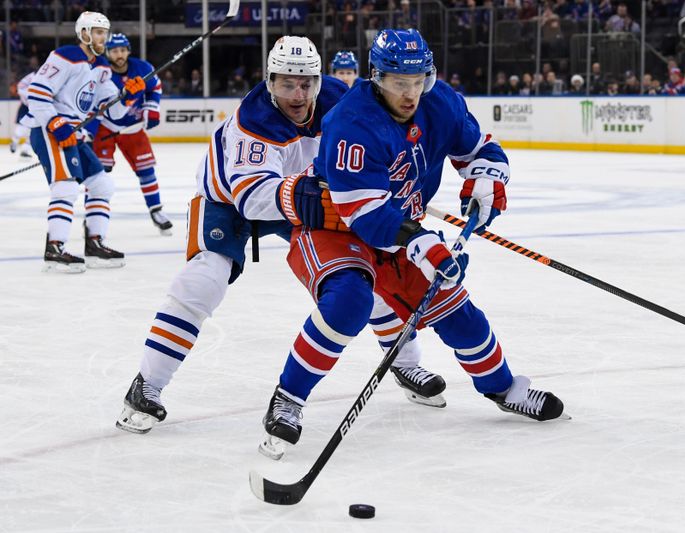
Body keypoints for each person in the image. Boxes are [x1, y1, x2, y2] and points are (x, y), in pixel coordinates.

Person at [116, 36, 449, 438]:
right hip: (231, 201)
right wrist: (314, 195)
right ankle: (147, 384)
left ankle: (404, 361)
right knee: (203, 279)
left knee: (372, 265)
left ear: (318, 80)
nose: (297, 94)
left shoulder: (342, 101)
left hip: (307, 196)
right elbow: (253, 199)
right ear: (270, 82)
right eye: (286, 84)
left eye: (306, 83)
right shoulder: (252, 121)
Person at [262, 28, 566, 458]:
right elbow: (365, 214)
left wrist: (485, 180)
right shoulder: (352, 122)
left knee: (458, 312)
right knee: (348, 302)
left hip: (403, 227)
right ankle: (288, 399)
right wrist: (423, 244)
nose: (409, 94)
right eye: (397, 83)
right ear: (375, 78)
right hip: (337, 227)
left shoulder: (440, 102)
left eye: (417, 82)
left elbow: (480, 148)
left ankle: (503, 389)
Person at [21, 11, 144, 273]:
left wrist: (128, 95)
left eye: (104, 32)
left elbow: (114, 112)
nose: (103, 38)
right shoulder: (65, 56)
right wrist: (55, 123)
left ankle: (95, 244)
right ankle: (54, 249)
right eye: (98, 32)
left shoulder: (101, 67)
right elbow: (37, 92)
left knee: (102, 185)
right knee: (65, 187)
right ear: (85, 33)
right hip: (49, 130)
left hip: (73, 133)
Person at [91, 33, 172, 235]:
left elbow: (155, 87)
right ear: (108, 52)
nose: (119, 55)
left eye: (122, 50)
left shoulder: (143, 68)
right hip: (106, 126)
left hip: (133, 128)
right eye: (115, 51)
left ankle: (156, 211)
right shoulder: (101, 71)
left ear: (128, 51)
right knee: (99, 174)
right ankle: (93, 217)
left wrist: (152, 108)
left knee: (146, 170)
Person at [10, 71, 35, 157]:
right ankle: (14, 141)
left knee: (33, 129)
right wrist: (28, 100)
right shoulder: (32, 76)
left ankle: (25, 150)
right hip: (26, 107)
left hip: (35, 108)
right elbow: (20, 87)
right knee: (22, 126)